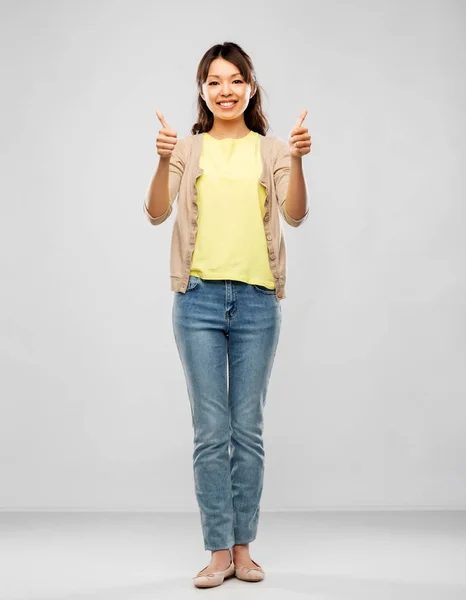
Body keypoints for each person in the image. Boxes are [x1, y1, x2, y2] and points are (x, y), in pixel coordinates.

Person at [143, 41, 311, 588]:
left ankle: (244, 550)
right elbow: (155, 213)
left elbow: (295, 214)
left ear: (251, 87)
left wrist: (301, 162)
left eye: (235, 80)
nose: (225, 91)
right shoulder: (187, 150)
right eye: (214, 81)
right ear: (202, 91)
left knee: (249, 430)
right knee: (211, 431)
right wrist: (162, 159)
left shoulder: (274, 150)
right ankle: (217, 550)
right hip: (197, 301)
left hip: (258, 302)